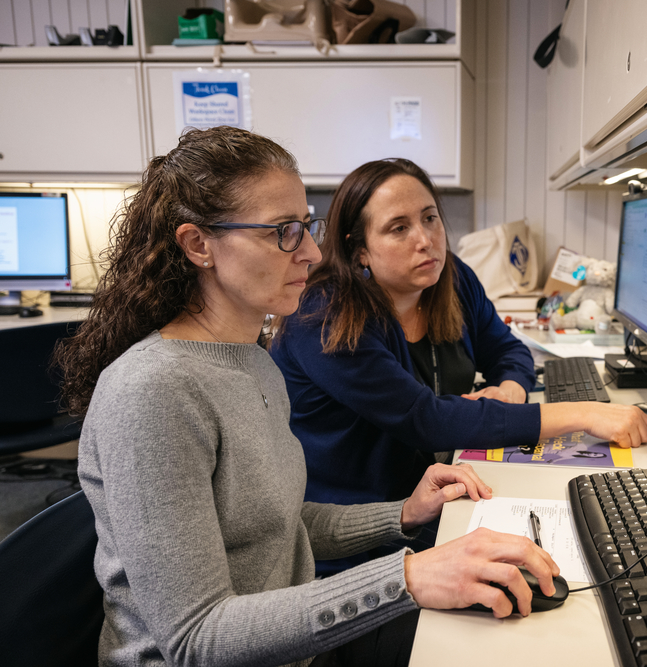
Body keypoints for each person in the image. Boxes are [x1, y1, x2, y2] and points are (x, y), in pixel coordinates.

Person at [54, 127, 559, 667]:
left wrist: (403, 515)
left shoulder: (252, 360)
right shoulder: (151, 395)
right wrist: (406, 577)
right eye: (283, 232)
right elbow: (197, 639)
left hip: (294, 644)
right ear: (198, 245)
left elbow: (279, 527)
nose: (313, 252)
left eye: (308, 227)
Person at [269, 158, 647, 571]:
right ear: (359, 248)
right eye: (399, 228)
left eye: (430, 219)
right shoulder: (326, 315)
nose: (426, 240)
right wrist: (583, 414)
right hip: (355, 539)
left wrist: (512, 389)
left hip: (426, 500)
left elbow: (508, 350)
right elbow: (424, 418)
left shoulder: (450, 279)